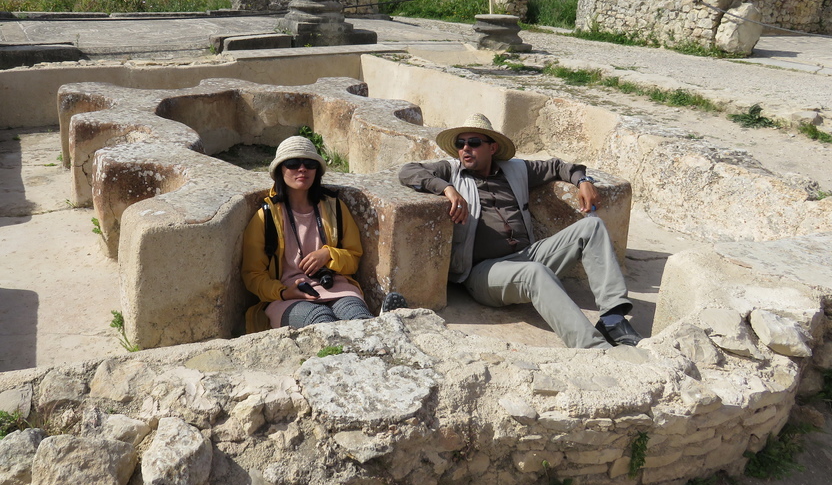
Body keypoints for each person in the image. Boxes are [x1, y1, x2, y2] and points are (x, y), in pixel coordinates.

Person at [398, 114, 643, 349]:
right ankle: (593, 348)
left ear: (492, 148)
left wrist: (583, 181)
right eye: (460, 144)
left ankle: (612, 318)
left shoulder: (515, 170)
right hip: (484, 272)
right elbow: (408, 171)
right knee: (534, 272)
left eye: (473, 143)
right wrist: (447, 189)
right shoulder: (452, 171)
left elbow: (558, 166)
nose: (465, 149)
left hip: (527, 254)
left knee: (593, 226)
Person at [242, 135, 407, 333]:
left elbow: (353, 258)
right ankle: (385, 326)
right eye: (293, 163)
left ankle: (380, 329)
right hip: (287, 297)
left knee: (358, 318)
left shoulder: (335, 207)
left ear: (317, 171)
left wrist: (329, 254)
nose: (302, 169)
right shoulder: (265, 217)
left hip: (336, 288)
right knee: (321, 321)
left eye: (309, 164)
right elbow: (252, 275)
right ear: (280, 170)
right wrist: (284, 292)